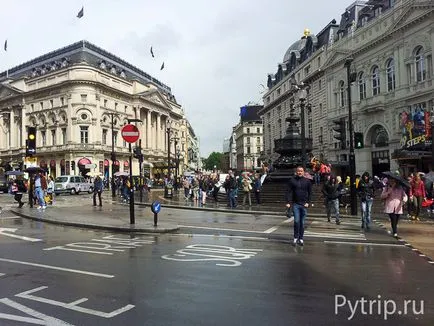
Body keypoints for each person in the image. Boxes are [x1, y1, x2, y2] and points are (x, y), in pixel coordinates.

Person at [285, 166, 312, 246]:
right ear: (296, 172)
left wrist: (308, 202)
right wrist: (288, 202)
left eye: (301, 171)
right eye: (298, 171)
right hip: (296, 204)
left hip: (304, 204)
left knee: (302, 223)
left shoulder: (307, 181)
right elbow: (288, 191)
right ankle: (295, 237)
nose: (300, 172)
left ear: (303, 172)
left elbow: (310, 193)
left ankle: (301, 238)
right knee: (296, 221)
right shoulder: (292, 180)